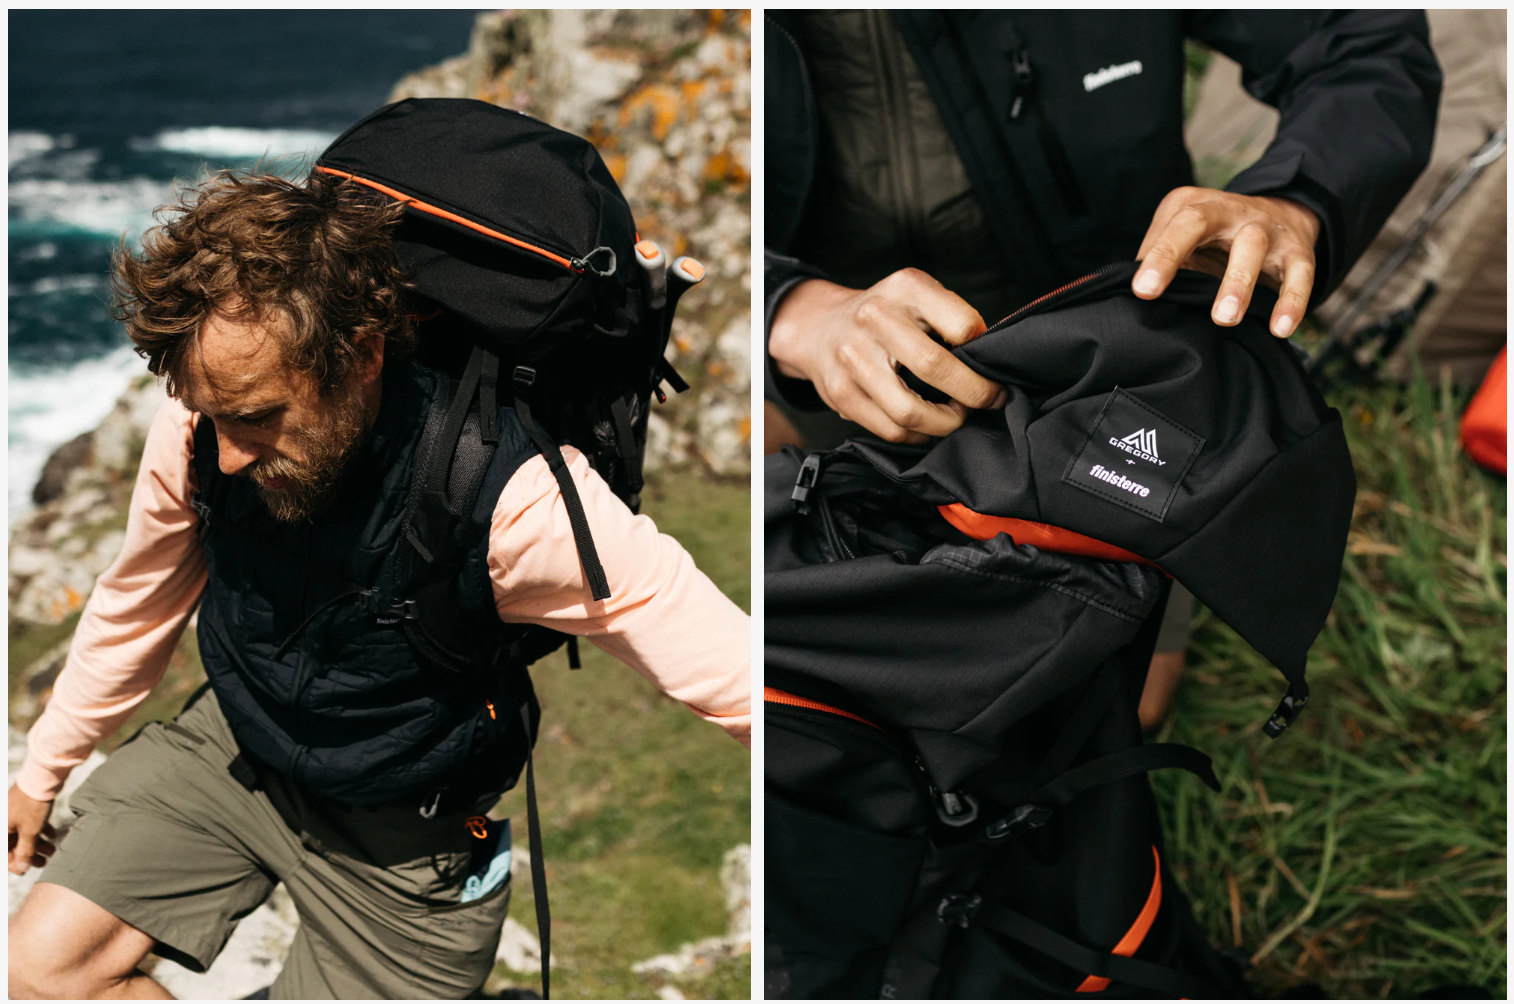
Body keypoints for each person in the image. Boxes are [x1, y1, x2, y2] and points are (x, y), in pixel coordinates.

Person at [7, 172, 751, 1000]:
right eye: (210, 416)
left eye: (255, 417)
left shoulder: (516, 504)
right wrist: (43, 770)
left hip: (406, 840)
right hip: (240, 747)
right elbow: (138, 599)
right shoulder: (202, 423)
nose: (224, 455)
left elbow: (737, 675)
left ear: (361, 354)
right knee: (39, 972)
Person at [762, 10, 1440, 726]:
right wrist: (786, 305)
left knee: (1122, 694)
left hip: (1113, 330)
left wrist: (1296, 199)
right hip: (848, 337)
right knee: (881, 675)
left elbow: (1363, 38)